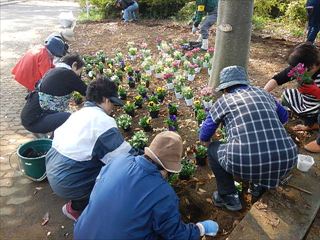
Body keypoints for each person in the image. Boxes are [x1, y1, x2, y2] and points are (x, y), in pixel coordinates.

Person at [74, 131, 219, 239]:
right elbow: (175, 234)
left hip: (81, 231)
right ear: (167, 169)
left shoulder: (120, 160)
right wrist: (200, 228)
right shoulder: (164, 193)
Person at [200, 66, 298, 211]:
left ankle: (229, 196)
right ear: (245, 82)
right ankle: (260, 186)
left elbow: (204, 134)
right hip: (288, 157)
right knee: (263, 149)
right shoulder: (264, 93)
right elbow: (284, 118)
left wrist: (207, 142)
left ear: (225, 89)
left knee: (214, 149)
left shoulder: (223, 101)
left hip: (245, 160)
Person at [46, 77, 133, 221]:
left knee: (99, 158)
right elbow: (125, 159)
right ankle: (78, 208)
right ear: (105, 100)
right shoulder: (103, 122)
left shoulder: (79, 114)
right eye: (112, 103)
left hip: (53, 169)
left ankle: (77, 201)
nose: (113, 108)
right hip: (67, 181)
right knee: (116, 174)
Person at [20, 53, 87, 135]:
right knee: (69, 117)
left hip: (30, 117)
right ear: (74, 65)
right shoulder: (68, 74)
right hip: (35, 121)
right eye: (79, 72)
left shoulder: (54, 70)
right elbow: (86, 91)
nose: (78, 76)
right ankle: (53, 143)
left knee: (64, 114)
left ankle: (52, 138)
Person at [264, 42, 320, 131]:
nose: (297, 72)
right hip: (307, 102)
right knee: (287, 94)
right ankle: (305, 117)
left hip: (318, 106)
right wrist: (262, 93)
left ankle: (314, 125)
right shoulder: (299, 68)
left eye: (300, 70)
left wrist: (316, 92)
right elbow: (278, 79)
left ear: (312, 66)